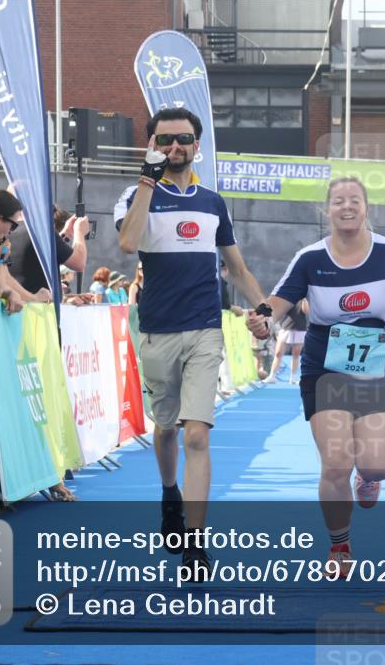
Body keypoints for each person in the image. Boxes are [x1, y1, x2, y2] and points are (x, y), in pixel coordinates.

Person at [246, 177, 385, 575]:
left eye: (354, 200)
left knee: (378, 465)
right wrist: (261, 319)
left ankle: (368, 477)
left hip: (378, 368)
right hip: (325, 369)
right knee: (335, 463)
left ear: (366, 207)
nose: (346, 206)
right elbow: (278, 301)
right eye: (338, 201)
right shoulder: (310, 258)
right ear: (326, 210)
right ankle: (339, 545)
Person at [116, 106, 266, 578]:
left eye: (183, 139)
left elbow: (237, 268)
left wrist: (263, 310)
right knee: (165, 429)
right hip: (157, 331)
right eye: (165, 140)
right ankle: (169, 494)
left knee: (197, 434)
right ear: (152, 145)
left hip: (204, 329)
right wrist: (147, 180)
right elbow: (127, 244)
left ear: (196, 146)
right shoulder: (136, 194)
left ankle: (196, 545)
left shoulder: (212, 202)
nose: (174, 147)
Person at [8, 205, 89, 300]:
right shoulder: (43, 232)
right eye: (53, 221)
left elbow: (42, 251)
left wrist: (64, 234)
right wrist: (79, 232)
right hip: (39, 306)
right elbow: (79, 263)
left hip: (15, 302)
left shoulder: (9, 230)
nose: (53, 226)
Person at [264, 298, 308, 384]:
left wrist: (304, 298)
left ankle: (293, 378)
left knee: (296, 355)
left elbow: (306, 311)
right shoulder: (287, 297)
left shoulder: (303, 299)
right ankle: (272, 376)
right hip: (285, 328)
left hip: (300, 329)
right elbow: (277, 311)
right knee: (278, 353)